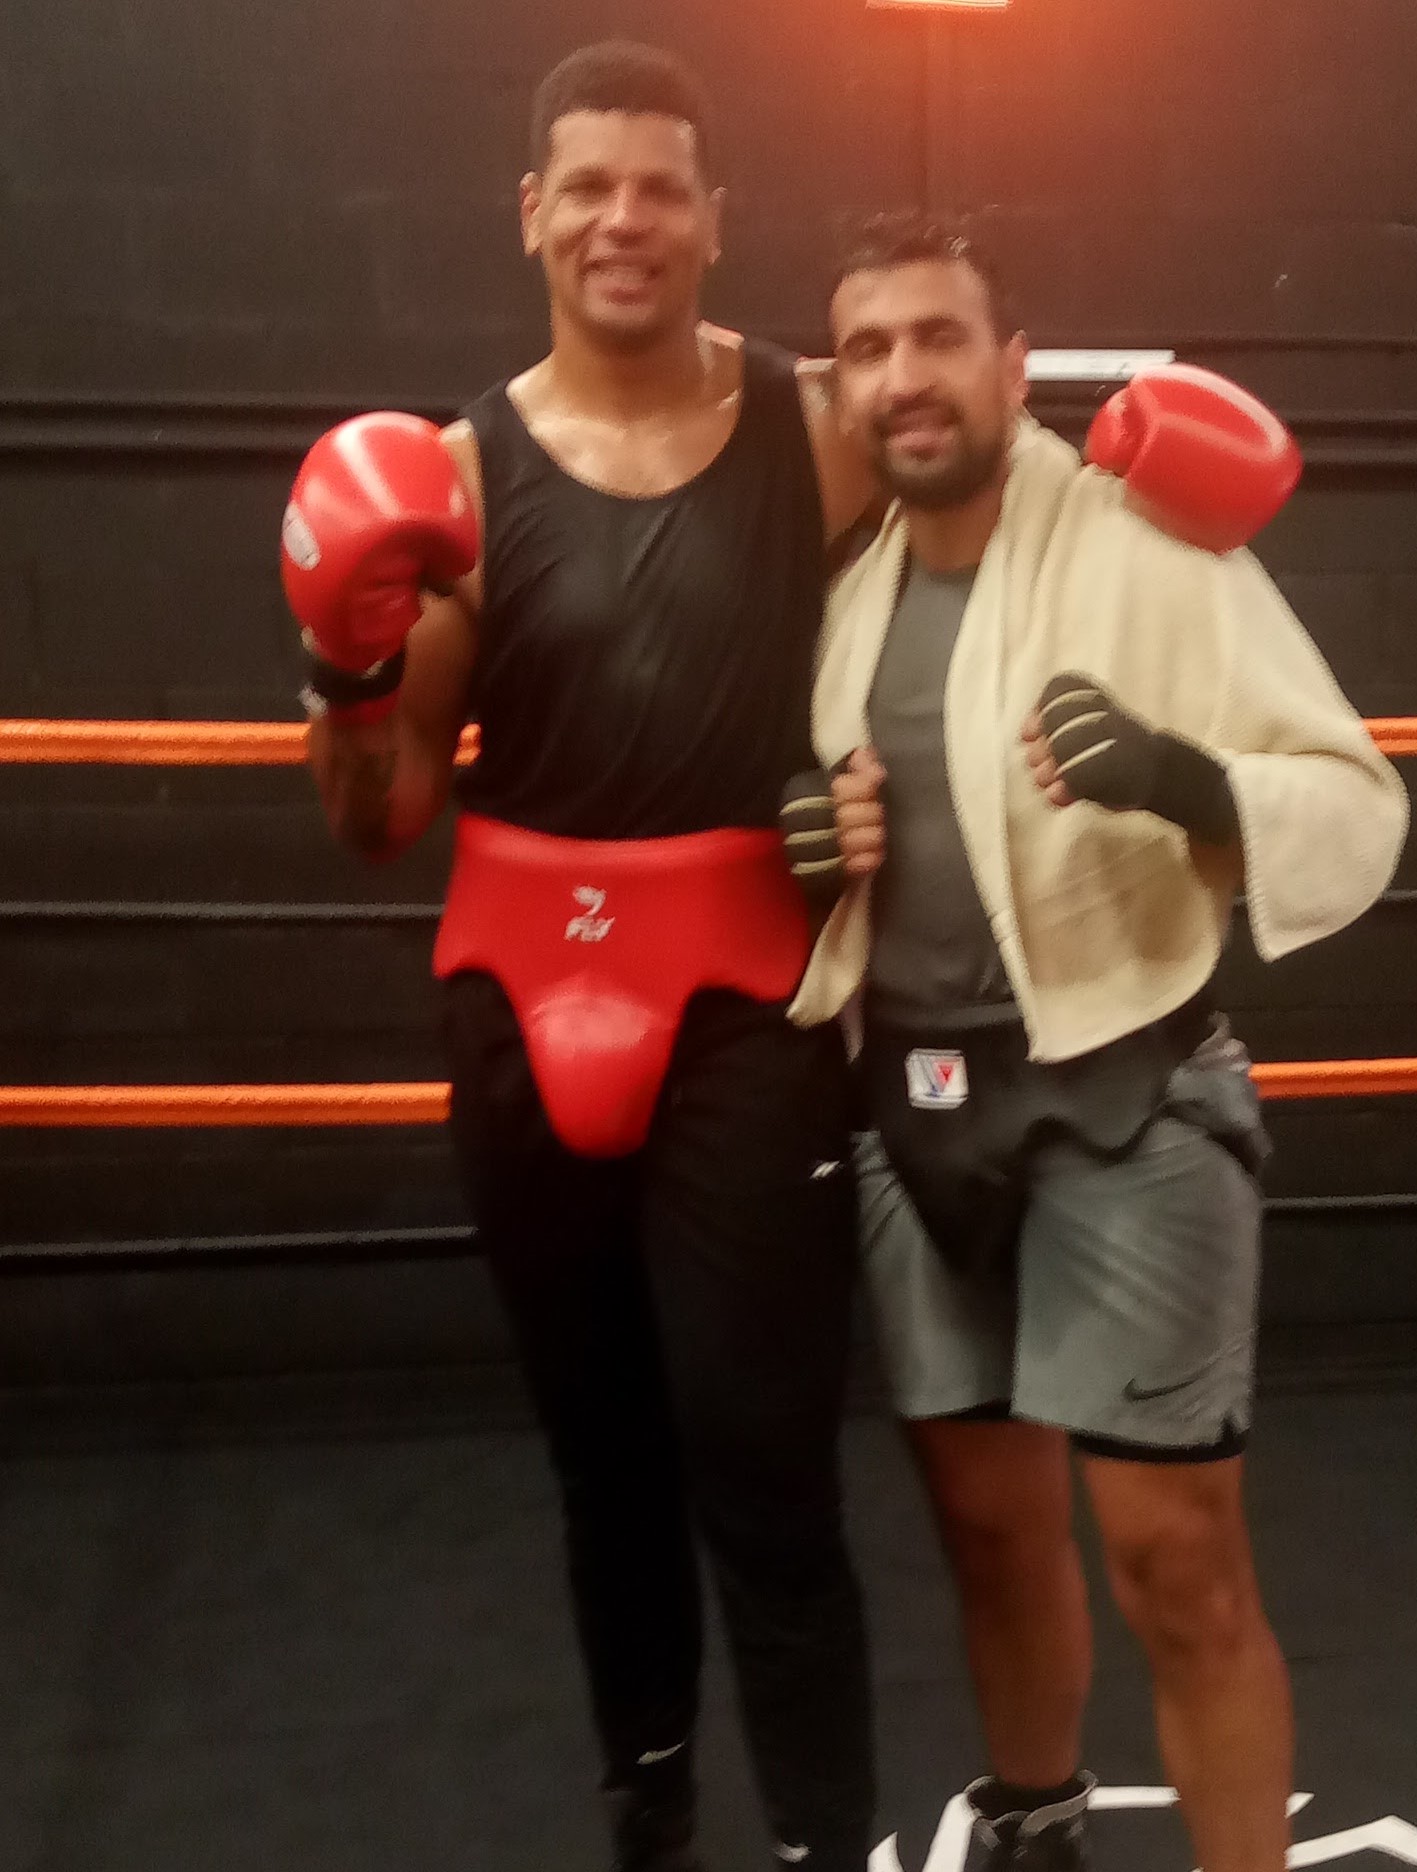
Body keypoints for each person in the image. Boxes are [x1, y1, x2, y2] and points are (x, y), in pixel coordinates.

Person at [281, 41, 886, 1872]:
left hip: (748, 1001)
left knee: (762, 1450)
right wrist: (342, 660)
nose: (629, 218)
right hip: (518, 997)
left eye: (665, 187)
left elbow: (968, 603)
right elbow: (376, 816)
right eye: (592, 186)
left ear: (714, 219)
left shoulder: (816, 426)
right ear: (533, 213)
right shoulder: (458, 469)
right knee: (601, 1448)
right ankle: (651, 1798)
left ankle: (822, 1841)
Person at [781, 218, 1410, 1872]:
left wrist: (1194, 783)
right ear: (841, 389)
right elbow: (843, 843)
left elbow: (1354, 791)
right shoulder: (841, 586)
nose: (904, 377)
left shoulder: (1148, 545)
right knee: (991, 1533)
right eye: (868, 349)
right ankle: (1039, 1824)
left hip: (1123, 1096)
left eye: (936, 339)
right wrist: (804, 840)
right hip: (914, 1110)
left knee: (1175, 1559)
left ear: (1010, 366)